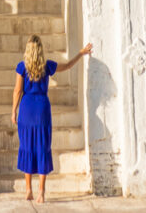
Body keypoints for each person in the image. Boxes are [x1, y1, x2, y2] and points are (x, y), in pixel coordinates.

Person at [11, 34, 92, 204]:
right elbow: (68, 65)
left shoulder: (21, 67)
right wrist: (80, 53)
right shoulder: (47, 66)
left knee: (27, 146)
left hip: (26, 109)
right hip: (42, 109)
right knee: (42, 147)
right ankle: (41, 192)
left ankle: (28, 190)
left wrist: (13, 111)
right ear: (40, 50)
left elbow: (17, 91)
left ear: (28, 50)